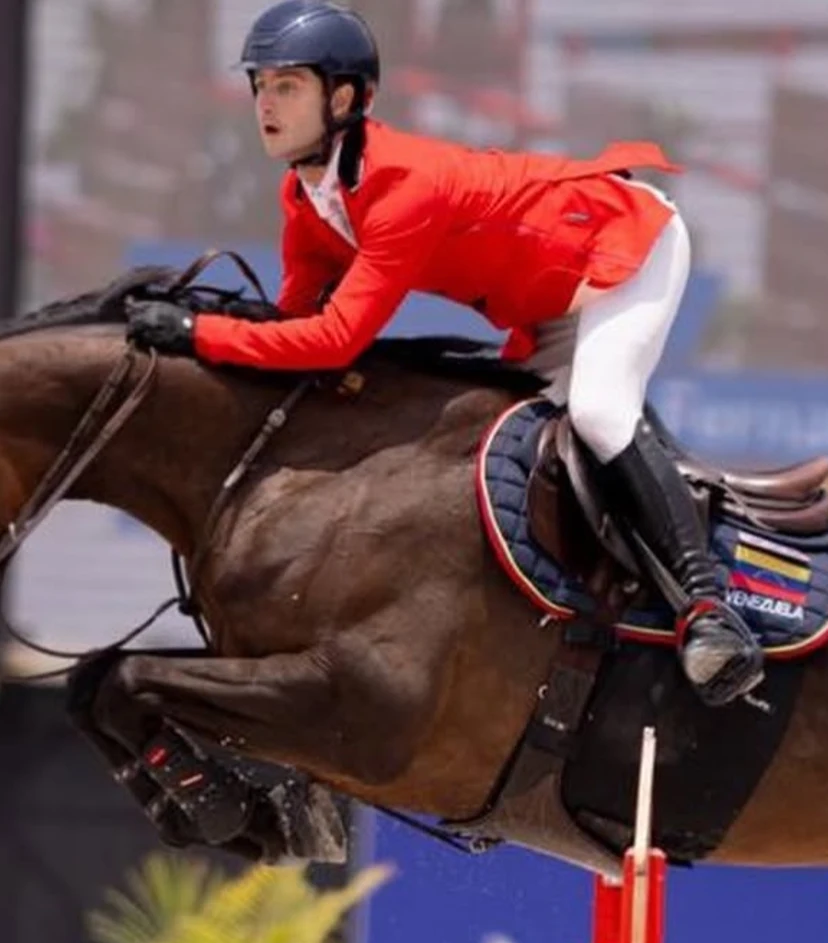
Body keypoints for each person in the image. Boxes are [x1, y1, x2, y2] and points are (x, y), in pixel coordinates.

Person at [126, 0, 762, 706]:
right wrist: (202, 322)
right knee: (526, 435)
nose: (265, 104)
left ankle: (711, 614)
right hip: (543, 298)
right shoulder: (306, 196)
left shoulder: (400, 189)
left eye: (287, 86)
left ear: (344, 98)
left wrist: (196, 335)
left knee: (600, 412)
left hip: (619, 245)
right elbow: (293, 323)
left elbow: (336, 339)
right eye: (260, 86)